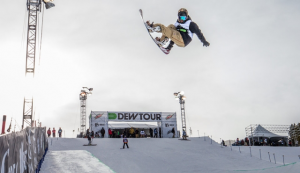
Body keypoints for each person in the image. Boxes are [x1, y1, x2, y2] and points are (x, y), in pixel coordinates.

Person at [146, 8, 210, 53]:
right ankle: (162, 41)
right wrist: (169, 48)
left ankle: (152, 27)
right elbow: (173, 35)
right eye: (180, 17)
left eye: (184, 18)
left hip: (184, 40)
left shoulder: (191, 24)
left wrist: (204, 41)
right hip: (178, 36)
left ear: (187, 17)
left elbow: (199, 33)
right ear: (178, 17)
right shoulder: (177, 23)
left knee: (168, 30)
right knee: (171, 26)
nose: (182, 20)